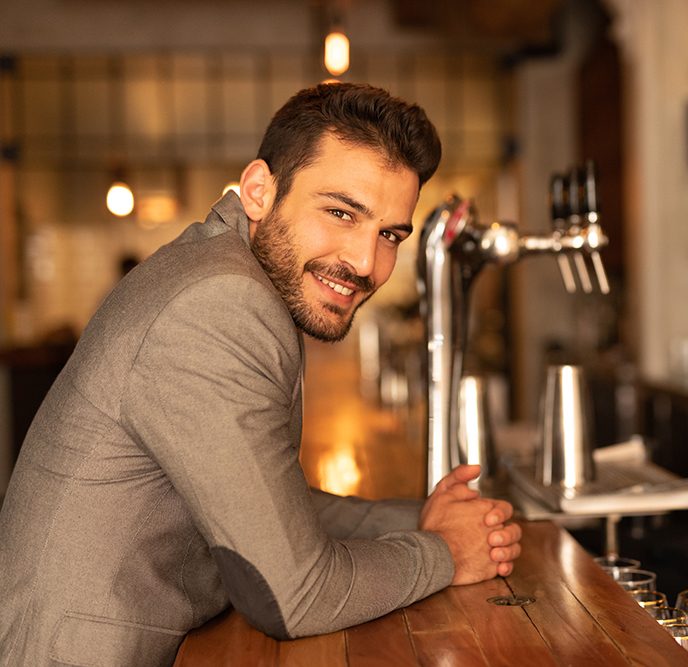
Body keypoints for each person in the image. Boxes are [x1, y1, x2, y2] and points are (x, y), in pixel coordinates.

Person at [0, 82, 522, 666]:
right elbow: (290, 595)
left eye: (389, 235)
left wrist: (421, 519)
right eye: (340, 212)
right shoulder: (218, 301)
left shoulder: (226, 272)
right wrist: (445, 551)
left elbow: (264, 504)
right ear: (258, 191)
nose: (365, 262)